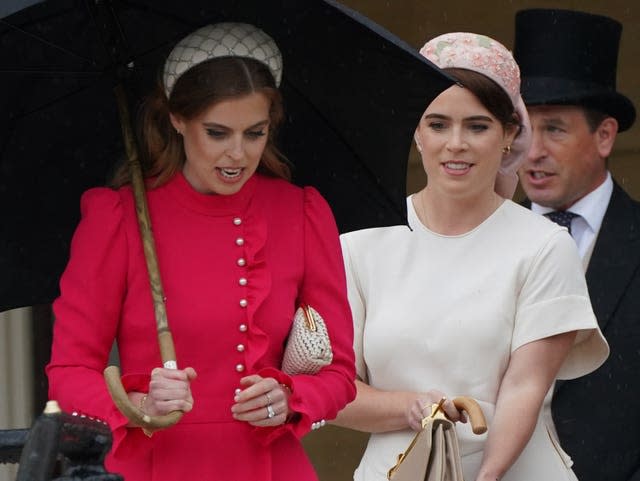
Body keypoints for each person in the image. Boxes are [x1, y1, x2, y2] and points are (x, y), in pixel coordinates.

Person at [46, 22, 356, 481]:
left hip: (273, 468)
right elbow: (68, 373)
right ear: (177, 119)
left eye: (255, 133)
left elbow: (340, 374)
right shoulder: (119, 218)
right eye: (217, 133)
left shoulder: (301, 212)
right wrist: (137, 405)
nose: (237, 154)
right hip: (155, 467)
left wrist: (290, 399)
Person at [333, 32, 609, 481]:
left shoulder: (543, 245)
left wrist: (486, 476)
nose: (456, 143)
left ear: (509, 135)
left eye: (477, 126)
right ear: (416, 132)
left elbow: (525, 385)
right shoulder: (361, 240)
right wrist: (411, 407)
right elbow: (336, 390)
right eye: (438, 124)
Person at [513, 9, 640, 481]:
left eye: (555, 129)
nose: (534, 151)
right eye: (525, 128)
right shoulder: (484, 240)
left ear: (604, 135)